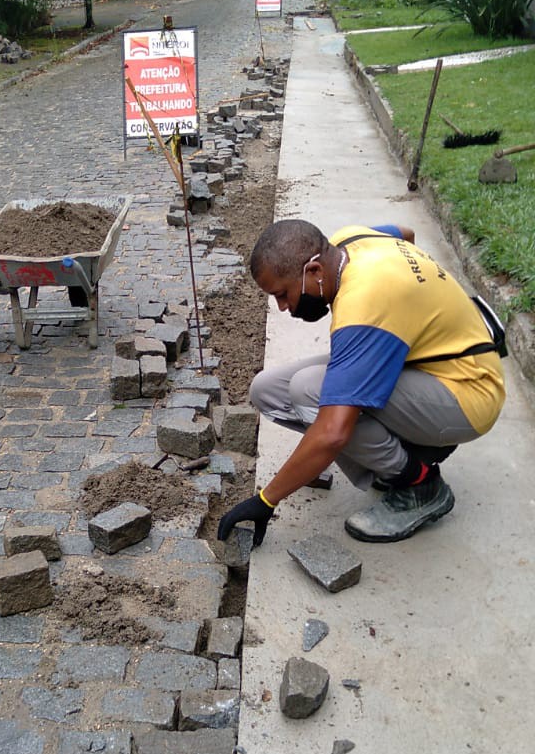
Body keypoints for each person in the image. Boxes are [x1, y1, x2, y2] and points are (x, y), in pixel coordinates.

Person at [217, 220, 506, 546]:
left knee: (310, 392)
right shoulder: (348, 241)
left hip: (467, 392)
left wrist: (266, 500)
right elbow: (406, 233)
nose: (283, 308)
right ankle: (400, 454)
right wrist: (414, 305)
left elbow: (333, 432)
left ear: (314, 271)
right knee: (268, 390)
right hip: (429, 365)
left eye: (283, 294)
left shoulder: (363, 306)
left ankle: (420, 484)